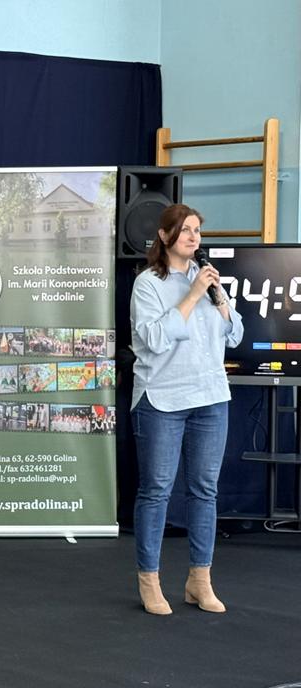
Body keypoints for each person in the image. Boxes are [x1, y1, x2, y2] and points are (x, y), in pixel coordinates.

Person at [130, 204, 243, 616]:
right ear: (164, 236)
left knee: (205, 491)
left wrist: (217, 297)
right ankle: (150, 581)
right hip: (162, 399)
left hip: (210, 397)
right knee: (156, 491)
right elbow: (154, 340)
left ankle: (200, 581)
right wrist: (193, 294)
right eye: (185, 230)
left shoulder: (208, 278)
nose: (194, 237)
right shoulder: (148, 283)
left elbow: (235, 334)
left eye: (197, 230)